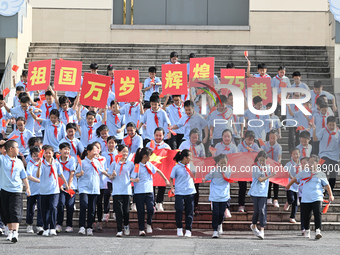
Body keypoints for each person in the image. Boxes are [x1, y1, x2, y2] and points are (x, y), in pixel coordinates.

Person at [286, 155, 334, 239]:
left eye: (312, 162)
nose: (310, 164)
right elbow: (295, 178)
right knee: (306, 215)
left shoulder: (321, 174)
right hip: (306, 198)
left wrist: (330, 195)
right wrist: (288, 185)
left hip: (317, 197)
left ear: (317, 163)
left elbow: (327, 185)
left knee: (317, 213)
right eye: (309, 162)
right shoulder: (304, 172)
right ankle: (307, 230)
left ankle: (318, 230)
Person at [131, 147, 169, 235]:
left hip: (149, 191)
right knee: (140, 211)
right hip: (139, 191)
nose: (150, 158)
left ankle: (148, 223)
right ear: (145, 156)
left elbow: (158, 170)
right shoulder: (137, 166)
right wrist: (134, 180)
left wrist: (165, 179)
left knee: (150, 209)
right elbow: (131, 178)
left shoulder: (149, 164)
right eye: (149, 156)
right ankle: (141, 229)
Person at [75, 143, 110, 236]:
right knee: (84, 205)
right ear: (88, 152)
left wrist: (110, 176)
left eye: (97, 150)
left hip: (94, 187)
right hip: (84, 187)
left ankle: (89, 227)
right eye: (94, 150)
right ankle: (82, 226)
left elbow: (102, 170)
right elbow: (76, 174)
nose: (96, 152)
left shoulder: (97, 162)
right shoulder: (82, 162)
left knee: (92, 208)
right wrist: (80, 174)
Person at [0, 140, 31, 242]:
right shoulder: (2, 159)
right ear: (10, 149)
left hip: (16, 190)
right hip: (4, 190)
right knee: (6, 212)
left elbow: (24, 176)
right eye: (17, 147)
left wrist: (27, 188)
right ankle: (9, 232)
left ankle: (15, 233)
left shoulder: (19, 162)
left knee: (15, 211)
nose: (19, 149)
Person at [36, 145, 69, 237]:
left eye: (49, 153)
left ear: (53, 153)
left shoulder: (56, 163)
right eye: (46, 153)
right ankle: (46, 228)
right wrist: (38, 167)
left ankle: (53, 227)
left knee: (53, 207)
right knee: (44, 210)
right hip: (43, 190)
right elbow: (38, 176)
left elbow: (60, 174)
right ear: (43, 154)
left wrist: (66, 183)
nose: (47, 154)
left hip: (54, 190)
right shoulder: (42, 163)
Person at [248, 151, 276, 239]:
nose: (262, 162)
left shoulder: (268, 167)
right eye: (260, 160)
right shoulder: (255, 167)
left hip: (263, 192)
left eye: (263, 160)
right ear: (258, 159)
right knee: (257, 210)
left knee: (262, 210)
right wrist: (270, 176)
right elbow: (260, 179)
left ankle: (262, 230)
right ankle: (254, 225)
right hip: (255, 192)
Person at [203, 154, 232, 238]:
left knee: (221, 213)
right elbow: (207, 177)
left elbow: (227, 176)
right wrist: (204, 179)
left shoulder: (228, 170)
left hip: (224, 196)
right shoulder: (213, 171)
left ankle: (220, 224)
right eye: (221, 163)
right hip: (215, 195)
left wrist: (223, 170)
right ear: (218, 163)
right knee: (215, 213)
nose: (223, 164)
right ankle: (215, 230)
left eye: (224, 163)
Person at [108, 144, 134, 237]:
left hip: (126, 190)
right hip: (117, 190)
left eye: (127, 151)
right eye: (123, 151)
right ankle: (119, 230)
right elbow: (110, 176)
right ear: (119, 152)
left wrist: (133, 179)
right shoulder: (114, 163)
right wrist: (112, 175)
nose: (125, 153)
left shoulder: (130, 164)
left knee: (126, 211)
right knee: (119, 211)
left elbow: (133, 176)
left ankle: (126, 225)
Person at [170, 149, 196, 237]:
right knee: (179, 210)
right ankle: (179, 228)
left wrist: (193, 172)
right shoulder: (176, 167)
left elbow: (195, 176)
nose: (191, 158)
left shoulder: (191, 165)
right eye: (189, 157)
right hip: (179, 192)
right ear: (185, 157)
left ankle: (188, 229)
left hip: (190, 191)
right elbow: (171, 178)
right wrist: (172, 188)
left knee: (189, 211)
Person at [146, 127, 171, 211]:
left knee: (162, 185)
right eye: (156, 135)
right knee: (151, 186)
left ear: (163, 136)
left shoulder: (166, 146)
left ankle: (159, 202)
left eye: (160, 135)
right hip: (151, 169)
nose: (158, 137)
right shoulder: (149, 144)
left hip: (162, 169)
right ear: (154, 135)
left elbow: (169, 158)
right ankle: (152, 203)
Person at [312, 116, 340, 191]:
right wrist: (314, 130)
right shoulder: (323, 131)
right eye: (330, 125)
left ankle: (330, 190)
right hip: (324, 155)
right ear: (327, 124)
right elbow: (315, 139)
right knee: (322, 170)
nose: (331, 127)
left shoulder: (338, 132)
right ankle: (321, 188)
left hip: (335, 157)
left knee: (333, 175)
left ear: (335, 124)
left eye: (333, 125)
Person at [236, 130, 260, 212]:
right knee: (242, 187)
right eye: (248, 139)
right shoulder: (240, 145)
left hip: (252, 169)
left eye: (251, 140)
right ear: (245, 138)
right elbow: (237, 155)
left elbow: (258, 155)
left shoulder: (255, 145)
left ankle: (255, 201)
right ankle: (241, 205)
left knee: (254, 185)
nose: (250, 142)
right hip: (242, 169)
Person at [56, 143, 77, 233]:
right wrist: (61, 184)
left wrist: (68, 185)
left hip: (71, 186)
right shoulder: (56, 160)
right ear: (60, 150)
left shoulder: (72, 159)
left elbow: (72, 173)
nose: (67, 151)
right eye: (64, 149)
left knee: (70, 205)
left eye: (68, 149)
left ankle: (69, 225)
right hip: (60, 186)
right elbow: (57, 173)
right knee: (60, 203)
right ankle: (59, 224)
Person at [261, 130, 282, 208]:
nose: (272, 139)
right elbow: (261, 151)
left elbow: (279, 156)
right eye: (271, 138)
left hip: (275, 165)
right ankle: (268, 197)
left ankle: (275, 199)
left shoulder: (278, 146)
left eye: (274, 138)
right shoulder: (265, 144)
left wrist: (278, 163)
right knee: (268, 182)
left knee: (276, 183)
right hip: (267, 166)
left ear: (277, 137)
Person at [25, 146, 43, 235]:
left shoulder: (43, 163)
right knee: (30, 208)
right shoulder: (30, 163)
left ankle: (40, 225)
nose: (36, 157)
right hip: (31, 190)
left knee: (41, 207)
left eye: (38, 155)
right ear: (31, 156)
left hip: (41, 190)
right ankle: (29, 224)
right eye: (34, 155)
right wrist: (39, 181)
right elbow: (28, 176)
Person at [283, 148, 301, 224]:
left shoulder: (301, 164)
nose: (296, 155)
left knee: (296, 203)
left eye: (297, 154)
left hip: (298, 185)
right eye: (294, 154)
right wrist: (291, 177)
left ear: (299, 155)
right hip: (290, 184)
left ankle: (292, 217)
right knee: (291, 198)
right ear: (291, 155)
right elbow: (285, 171)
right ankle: (288, 202)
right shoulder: (289, 164)